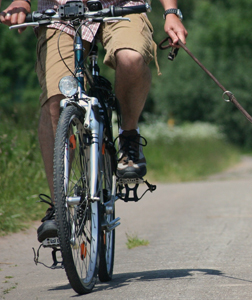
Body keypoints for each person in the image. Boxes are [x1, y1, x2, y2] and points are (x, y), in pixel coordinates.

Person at [0, 0, 187, 242]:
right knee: (57, 100)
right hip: (60, 13)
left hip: (123, 6)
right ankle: (58, 207)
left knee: (131, 59)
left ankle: (129, 138)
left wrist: (171, 12)